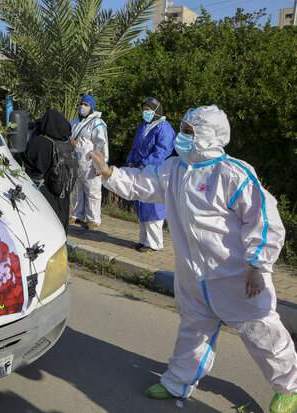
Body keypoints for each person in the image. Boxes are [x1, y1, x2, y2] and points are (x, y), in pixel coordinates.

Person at [89, 105, 297, 413]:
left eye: (189, 131)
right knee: (193, 330)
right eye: (182, 129)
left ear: (209, 136)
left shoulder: (232, 173)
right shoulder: (174, 169)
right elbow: (142, 184)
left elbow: (263, 219)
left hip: (237, 276)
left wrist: (258, 264)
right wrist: (108, 172)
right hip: (193, 274)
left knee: (263, 333)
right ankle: (178, 382)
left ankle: (289, 389)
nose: (182, 136)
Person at [125, 97, 175, 252]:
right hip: (140, 171)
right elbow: (135, 147)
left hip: (154, 172)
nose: (145, 112)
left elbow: (162, 151)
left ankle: (154, 243)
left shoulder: (164, 127)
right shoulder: (143, 127)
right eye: (144, 108)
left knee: (153, 208)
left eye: (149, 109)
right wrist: (131, 161)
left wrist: (144, 164)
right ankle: (143, 239)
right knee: (141, 205)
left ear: (157, 110)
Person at [24, 109, 76, 230]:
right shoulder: (67, 143)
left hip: (45, 194)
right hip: (63, 196)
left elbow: (27, 161)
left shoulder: (41, 142)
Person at [69, 94, 108, 230]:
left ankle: (94, 219)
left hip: (90, 163)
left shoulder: (97, 123)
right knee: (77, 190)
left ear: (92, 107)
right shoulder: (73, 122)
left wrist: (100, 165)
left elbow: (102, 144)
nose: (82, 107)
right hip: (76, 161)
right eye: (81, 103)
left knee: (93, 191)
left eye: (86, 105)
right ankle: (77, 214)